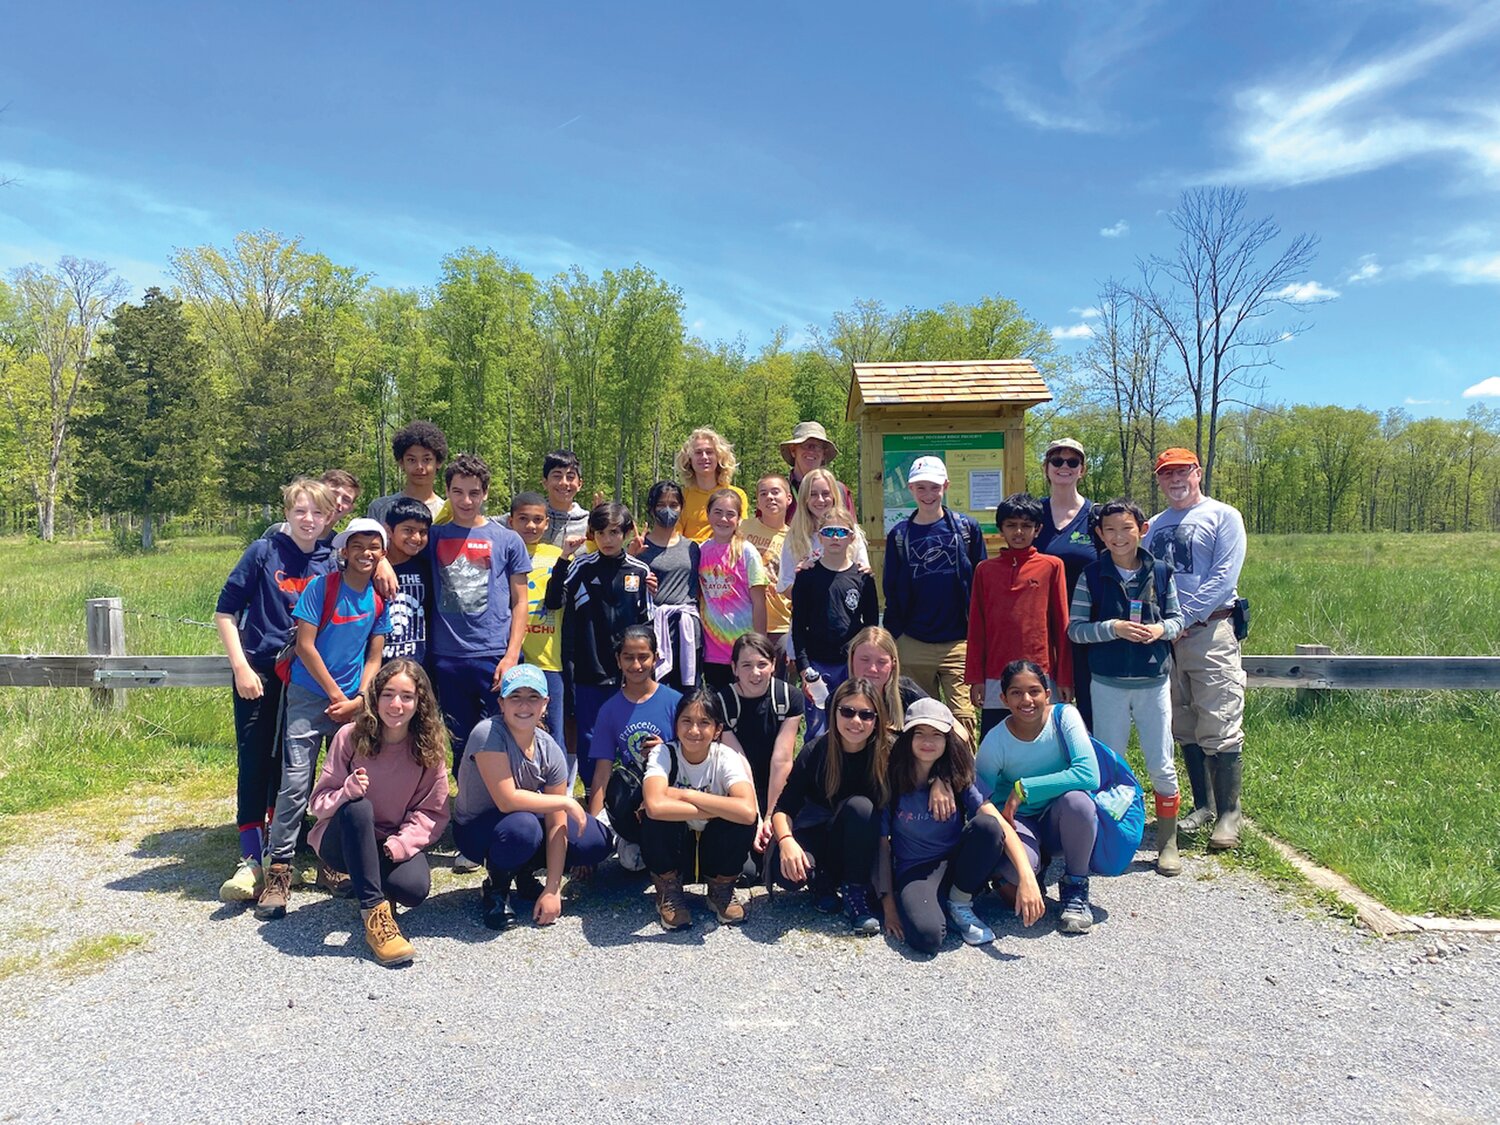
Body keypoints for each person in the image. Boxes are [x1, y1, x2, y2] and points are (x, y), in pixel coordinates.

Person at [256, 518, 393, 921]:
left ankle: (331, 861)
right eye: (359, 546)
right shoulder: (322, 588)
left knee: (349, 784)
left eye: (375, 547)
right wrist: (336, 695)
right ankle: (278, 870)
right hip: (308, 696)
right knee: (296, 782)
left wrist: (360, 699)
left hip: (353, 702)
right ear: (344, 551)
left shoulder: (377, 599)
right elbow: (305, 645)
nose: (367, 554)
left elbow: (374, 655)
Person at [214, 477, 337, 903]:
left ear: (329, 517)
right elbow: (225, 612)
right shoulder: (262, 552)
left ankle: (283, 851)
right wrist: (241, 667)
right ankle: (250, 856)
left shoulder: (331, 558)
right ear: (287, 511)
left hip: (307, 676)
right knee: (254, 757)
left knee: (295, 763)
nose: (309, 520)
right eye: (301, 510)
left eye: (318, 513)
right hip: (260, 670)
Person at [307, 659, 450, 965]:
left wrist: (398, 845)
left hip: (388, 843)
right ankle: (374, 913)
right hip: (342, 837)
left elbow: (432, 814)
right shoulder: (348, 736)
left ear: (419, 702)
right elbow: (317, 802)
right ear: (375, 697)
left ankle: (366, 880)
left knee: (413, 889)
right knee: (359, 808)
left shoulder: (429, 749)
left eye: (407, 696)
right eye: (387, 694)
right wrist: (345, 792)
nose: (396, 704)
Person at [1068, 498, 1184, 875]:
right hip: (1107, 683)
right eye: (1111, 530)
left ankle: (1167, 842)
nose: (1119, 537)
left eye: (1127, 528)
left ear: (1142, 529)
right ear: (1099, 534)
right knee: (1109, 764)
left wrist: (1160, 630)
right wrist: (1113, 628)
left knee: (1160, 761)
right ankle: (1110, 836)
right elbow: (1076, 629)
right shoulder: (1091, 575)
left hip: (1153, 682)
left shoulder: (1162, 572)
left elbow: (1178, 620)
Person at [453, 664, 614, 930]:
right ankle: (496, 888)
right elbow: (507, 800)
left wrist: (553, 888)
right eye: (515, 697)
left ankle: (524, 871)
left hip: (518, 822)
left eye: (533, 697)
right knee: (524, 827)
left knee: (595, 839)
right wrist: (565, 800)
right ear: (502, 703)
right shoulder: (488, 733)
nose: (524, 705)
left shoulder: (549, 748)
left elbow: (556, 822)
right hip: (476, 830)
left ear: (545, 703)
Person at [879, 699, 1043, 952]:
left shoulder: (958, 774)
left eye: (937, 734)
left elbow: (998, 823)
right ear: (907, 738)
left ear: (948, 740)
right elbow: (882, 846)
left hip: (957, 863)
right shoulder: (891, 778)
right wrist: (889, 908)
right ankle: (938, 902)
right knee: (927, 940)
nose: (927, 742)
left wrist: (1026, 877)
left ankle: (959, 901)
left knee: (988, 826)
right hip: (915, 869)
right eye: (919, 733)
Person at [1145, 447, 1248, 851]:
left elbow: (1223, 576)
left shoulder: (1224, 516)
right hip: (1167, 636)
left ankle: (1229, 813)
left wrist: (1182, 620)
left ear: (1197, 472)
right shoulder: (1153, 525)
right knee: (1182, 721)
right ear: (1159, 480)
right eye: (1166, 473)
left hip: (1210, 628)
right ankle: (1202, 805)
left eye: (1182, 471)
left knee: (1219, 716)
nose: (1175, 479)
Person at [975, 661, 1101, 934]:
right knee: (1020, 870)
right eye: (1016, 693)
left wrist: (1024, 788)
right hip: (1017, 821)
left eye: (1034, 691)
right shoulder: (995, 742)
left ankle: (1076, 887)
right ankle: (1014, 874)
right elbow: (979, 799)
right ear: (1003, 699)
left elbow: (1089, 775)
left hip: (1059, 818)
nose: (1027, 700)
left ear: (1048, 693)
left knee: (1079, 802)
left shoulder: (1065, 718)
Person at [427, 453, 532, 777]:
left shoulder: (508, 539)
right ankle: (467, 812)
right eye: (458, 492)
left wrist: (511, 655)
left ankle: (503, 805)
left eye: (474, 493)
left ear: (485, 493)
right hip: (447, 657)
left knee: (498, 737)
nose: (466, 500)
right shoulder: (433, 537)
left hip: (493, 656)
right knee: (459, 741)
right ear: (447, 491)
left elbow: (521, 602)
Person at [768, 678, 890, 935]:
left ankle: (854, 892)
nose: (856, 721)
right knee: (786, 874)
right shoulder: (815, 751)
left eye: (866, 715)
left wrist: (939, 784)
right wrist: (787, 842)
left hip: (859, 842)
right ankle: (820, 881)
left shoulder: (887, 753)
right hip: (817, 836)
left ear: (877, 719)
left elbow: (927, 769)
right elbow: (783, 808)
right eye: (847, 711)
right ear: (834, 712)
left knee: (861, 807)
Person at [545, 501, 654, 775]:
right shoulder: (581, 566)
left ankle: (629, 788)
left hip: (629, 673)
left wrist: (645, 668)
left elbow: (647, 623)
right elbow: (553, 601)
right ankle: (594, 791)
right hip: (588, 668)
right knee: (590, 734)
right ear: (592, 533)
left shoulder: (639, 571)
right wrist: (563, 559)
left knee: (629, 730)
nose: (608, 539)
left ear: (627, 532)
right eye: (602, 533)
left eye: (615, 533)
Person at [882, 456, 987, 734]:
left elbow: (981, 584)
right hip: (913, 642)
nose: (928, 494)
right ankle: (924, 777)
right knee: (918, 719)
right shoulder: (899, 536)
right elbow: (890, 588)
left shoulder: (966, 529)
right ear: (911, 489)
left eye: (934, 487)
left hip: (959, 642)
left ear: (946, 486)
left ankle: (962, 777)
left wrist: (978, 635)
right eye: (921, 488)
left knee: (962, 721)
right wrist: (898, 636)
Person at [640, 690, 759, 930]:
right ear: (676, 725)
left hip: (714, 846)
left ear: (717, 730)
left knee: (742, 821)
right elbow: (654, 806)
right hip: (677, 844)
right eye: (687, 721)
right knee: (653, 818)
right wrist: (717, 807)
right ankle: (668, 888)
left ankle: (720, 888)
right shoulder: (663, 753)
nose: (694, 730)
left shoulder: (726, 757)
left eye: (704, 722)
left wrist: (686, 794)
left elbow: (747, 811)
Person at [966, 492, 1073, 738]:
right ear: (1001, 529)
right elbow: (977, 628)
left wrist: (1065, 677)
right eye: (1011, 525)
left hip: (1041, 671)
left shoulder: (1051, 566)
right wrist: (975, 678)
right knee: (995, 741)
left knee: (1044, 740)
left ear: (1038, 529)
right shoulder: (985, 570)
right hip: (995, 674)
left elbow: (1061, 625)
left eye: (1026, 526)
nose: (1018, 532)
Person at [586, 626, 682, 871]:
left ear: (656, 658)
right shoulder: (609, 710)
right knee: (631, 862)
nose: (636, 665)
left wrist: (667, 751)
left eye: (643, 657)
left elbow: (696, 755)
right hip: (633, 800)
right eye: (628, 657)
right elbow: (602, 772)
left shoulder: (676, 702)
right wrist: (593, 829)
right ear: (618, 660)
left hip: (673, 793)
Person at [716, 632, 804, 873]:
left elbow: (782, 759)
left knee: (782, 863)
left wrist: (770, 817)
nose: (755, 673)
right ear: (734, 668)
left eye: (762, 664)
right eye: (746, 665)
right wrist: (755, 818)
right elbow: (738, 763)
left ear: (773, 665)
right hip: (738, 787)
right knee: (747, 871)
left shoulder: (789, 698)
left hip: (778, 785)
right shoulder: (722, 702)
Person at [789, 510, 879, 741]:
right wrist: (804, 667)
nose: (835, 537)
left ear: (852, 537)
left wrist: (867, 665)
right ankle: (819, 775)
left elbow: (870, 628)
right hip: (817, 666)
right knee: (818, 731)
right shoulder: (807, 576)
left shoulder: (863, 578)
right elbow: (798, 626)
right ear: (820, 537)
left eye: (842, 532)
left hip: (851, 665)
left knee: (853, 726)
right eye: (829, 532)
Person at [1034, 438, 1100, 727]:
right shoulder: (1033, 515)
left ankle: (1092, 766)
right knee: (1041, 702)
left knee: (1089, 704)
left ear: (1082, 470)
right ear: (1046, 468)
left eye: (1072, 462)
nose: (1064, 466)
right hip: (1042, 625)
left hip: (1086, 623)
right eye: (1057, 461)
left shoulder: (1097, 516)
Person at [632, 480, 703, 692]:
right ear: (652, 508)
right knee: (655, 687)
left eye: (674, 505)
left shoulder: (692, 547)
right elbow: (625, 584)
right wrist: (631, 557)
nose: (668, 510)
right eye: (662, 504)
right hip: (654, 625)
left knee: (688, 689)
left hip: (687, 627)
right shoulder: (641, 547)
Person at [697, 488, 768, 691]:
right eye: (718, 512)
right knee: (719, 709)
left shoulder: (747, 552)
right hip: (712, 650)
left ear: (739, 518)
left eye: (731, 514)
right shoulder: (701, 551)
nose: (724, 519)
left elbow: (759, 602)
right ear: (708, 514)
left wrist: (759, 645)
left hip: (743, 649)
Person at [510, 491, 567, 743]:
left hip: (549, 658)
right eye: (523, 519)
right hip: (511, 656)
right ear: (510, 521)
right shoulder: (503, 551)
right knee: (512, 728)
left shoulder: (559, 555)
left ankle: (559, 783)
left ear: (547, 523)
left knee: (553, 730)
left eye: (537, 519)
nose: (530, 525)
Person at [778, 468, 870, 592]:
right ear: (804, 499)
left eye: (826, 494)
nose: (820, 500)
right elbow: (785, 584)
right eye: (813, 494)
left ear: (834, 497)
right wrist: (803, 580)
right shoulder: (795, 536)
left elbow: (863, 575)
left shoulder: (850, 533)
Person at [738, 474, 793, 665]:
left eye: (775, 492)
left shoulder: (795, 538)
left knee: (779, 683)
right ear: (758, 503)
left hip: (781, 624)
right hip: (744, 620)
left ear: (788, 499)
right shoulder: (742, 528)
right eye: (763, 494)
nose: (770, 497)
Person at [380, 497, 434, 665]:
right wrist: (381, 560)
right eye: (408, 530)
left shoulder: (427, 566)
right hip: (378, 664)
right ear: (388, 530)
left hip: (418, 665)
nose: (416, 538)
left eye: (423, 532)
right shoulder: (371, 568)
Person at [847, 625, 929, 731]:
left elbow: (946, 720)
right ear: (852, 659)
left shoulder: (908, 693)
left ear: (893, 664)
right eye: (864, 659)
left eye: (881, 662)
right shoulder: (839, 700)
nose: (872, 669)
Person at [365, 420, 448, 525]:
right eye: (412, 460)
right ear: (401, 462)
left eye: (426, 460)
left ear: (439, 462)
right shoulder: (380, 508)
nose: (419, 467)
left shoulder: (447, 512)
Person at [675, 427, 748, 543]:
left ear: (719, 457)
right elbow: (675, 538)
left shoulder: (736, 495)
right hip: (691, 556)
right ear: (689, 460)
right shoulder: (681, 496)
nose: (704, 457)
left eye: (709, 452)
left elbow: (740, 533)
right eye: (698, 452)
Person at [259, 468, 359, 543]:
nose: (337, 501)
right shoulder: (279, 532)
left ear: (350, 508)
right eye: (333, 493)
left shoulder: (338, 546)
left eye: (346, 499)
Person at [779, 421, 853, 517]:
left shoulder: (840, 491)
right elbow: (761, 529)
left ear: (823, 454)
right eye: (806, 445)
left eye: (817, 447)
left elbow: (852, 529)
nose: (811, 451)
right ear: (793, 451)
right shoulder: (778, 492)